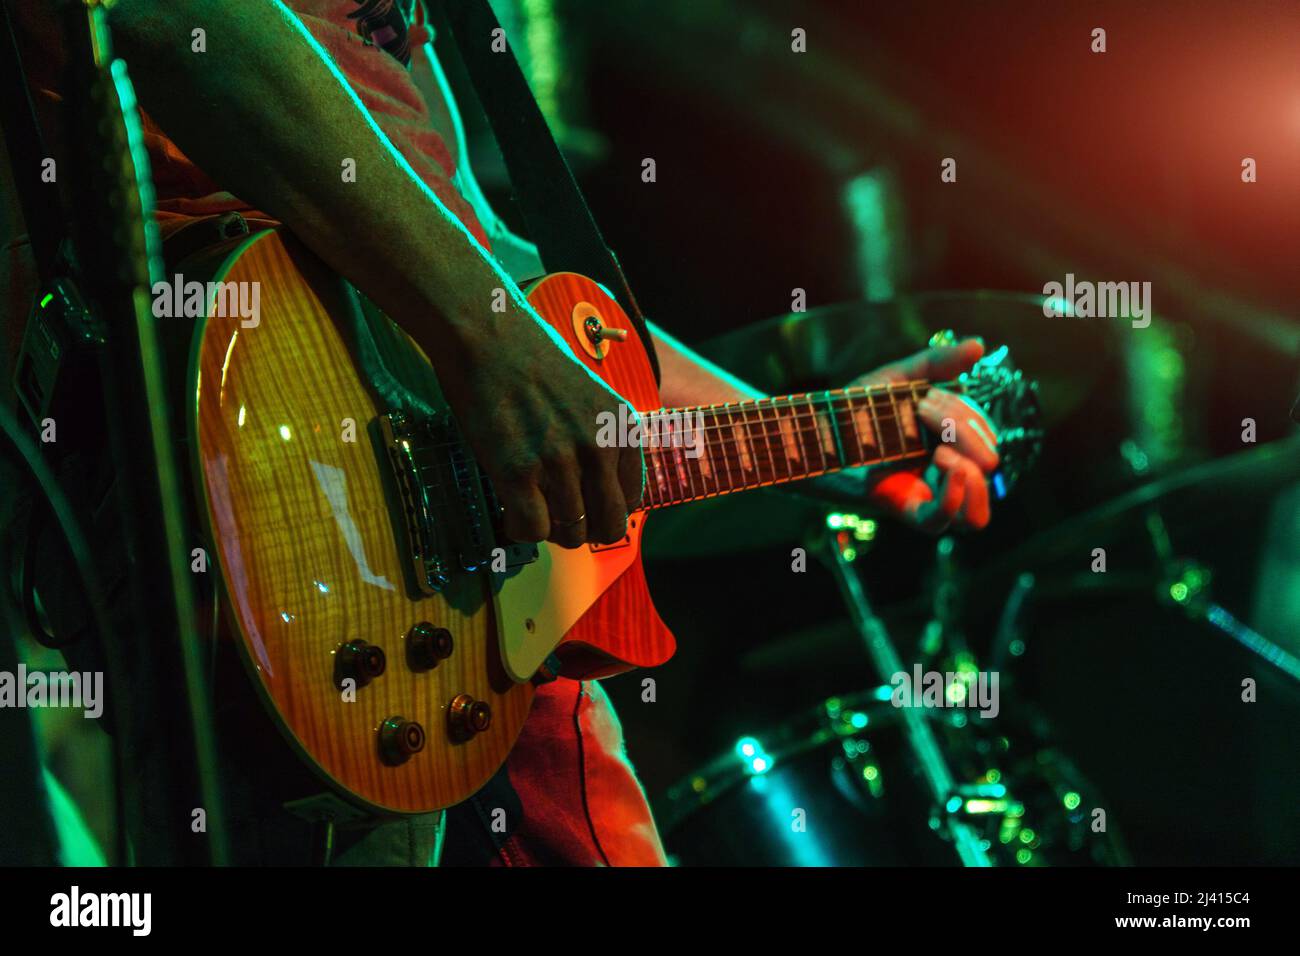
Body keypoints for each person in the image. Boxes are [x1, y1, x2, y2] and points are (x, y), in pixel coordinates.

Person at [0, 0, 1000, 866]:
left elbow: (520, 290)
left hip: (481, 600)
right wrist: (485, 339)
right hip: (253, 483)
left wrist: (825, 435)